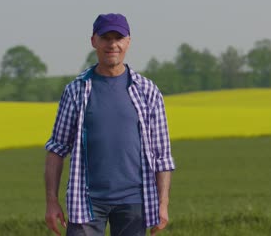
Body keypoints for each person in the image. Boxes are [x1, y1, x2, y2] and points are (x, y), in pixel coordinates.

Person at [44, 13, 175, 236]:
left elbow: (162, 154)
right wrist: (51, 201)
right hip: (85, 201)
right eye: (106, 38)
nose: (112, 44)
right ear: (94, 41)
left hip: (134, 201)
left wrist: (163, 204)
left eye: (118, 38)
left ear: (128, 42)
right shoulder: (76, 91)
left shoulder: (148, 91)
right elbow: (56, 149)